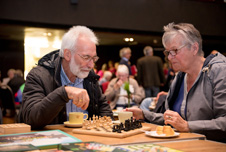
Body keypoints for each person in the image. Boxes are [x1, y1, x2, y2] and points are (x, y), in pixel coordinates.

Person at [126, 22, 226, 142]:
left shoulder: (219, 71)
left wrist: (188, 126)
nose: (169, 57)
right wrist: (144, 114)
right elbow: (174, 121)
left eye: (174, 51)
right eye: (168, 52)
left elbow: (223, 121)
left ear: (194, 48)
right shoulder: (180, 77)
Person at [17, 26, 113, 129]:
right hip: (52, 141)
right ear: (67, 54)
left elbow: (104, 109)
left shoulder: (89, 76)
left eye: (93, 58)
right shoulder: (38, 75)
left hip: (86, 140)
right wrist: (64, 93)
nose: (91, 65)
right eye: (86, 57)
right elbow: (31, 118)